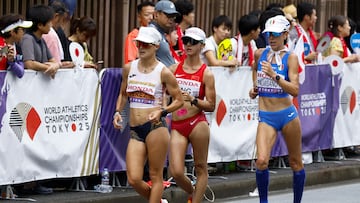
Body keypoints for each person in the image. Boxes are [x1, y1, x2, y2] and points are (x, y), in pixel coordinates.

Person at [113, 26, 184, 203]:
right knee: (134, 179)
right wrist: (117, 112)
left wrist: (162, 111)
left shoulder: (164, 72)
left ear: (156, 47)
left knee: (155, 175)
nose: (141, 47)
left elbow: (179, 100)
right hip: (136, 129)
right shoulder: (129, 68)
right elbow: (123, 93)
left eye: (146, 44)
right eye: (139, 44)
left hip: (156, 128)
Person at [249, 15, 305, 203]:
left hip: (287, 115)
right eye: (268, 34)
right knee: (261, 161)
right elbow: (254, 71)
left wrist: (274, 76)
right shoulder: (260, 53)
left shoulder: (291, 57)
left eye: (274, 34)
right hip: (266, 116)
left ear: (284, 34)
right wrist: (255, 88)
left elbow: (295, 90)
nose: (270, 38)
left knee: (295, 162)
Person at [168, 27, 215, 203]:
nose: (188, 44)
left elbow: (211, 105)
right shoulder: (174, 69)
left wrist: (194, 100)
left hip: (197, 123)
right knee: (176, 172)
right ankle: (195, 193)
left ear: (202, 46)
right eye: (186, 40)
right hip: (178, 124)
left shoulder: (206, 73)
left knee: (201, 167)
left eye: (193, 42)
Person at [20, 4, 60, 79]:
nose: (51, 25)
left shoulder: (42, 40)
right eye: (49, 22)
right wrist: (49, 67)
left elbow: (53, 60)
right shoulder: (27, 39)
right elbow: (29, 63)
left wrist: (55, 65)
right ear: (40, 25)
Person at [43, 0, 74, 68]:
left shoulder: (43, 32)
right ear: (56, 16)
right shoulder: (51, 34)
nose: (61, 25)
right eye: (62, 19)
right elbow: (56, 63)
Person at [150, 0, 180, 67]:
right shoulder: (151, 32)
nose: (172, 19)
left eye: (173, 16)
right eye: (168, 15)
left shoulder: (160, 32)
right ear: (156, 14)